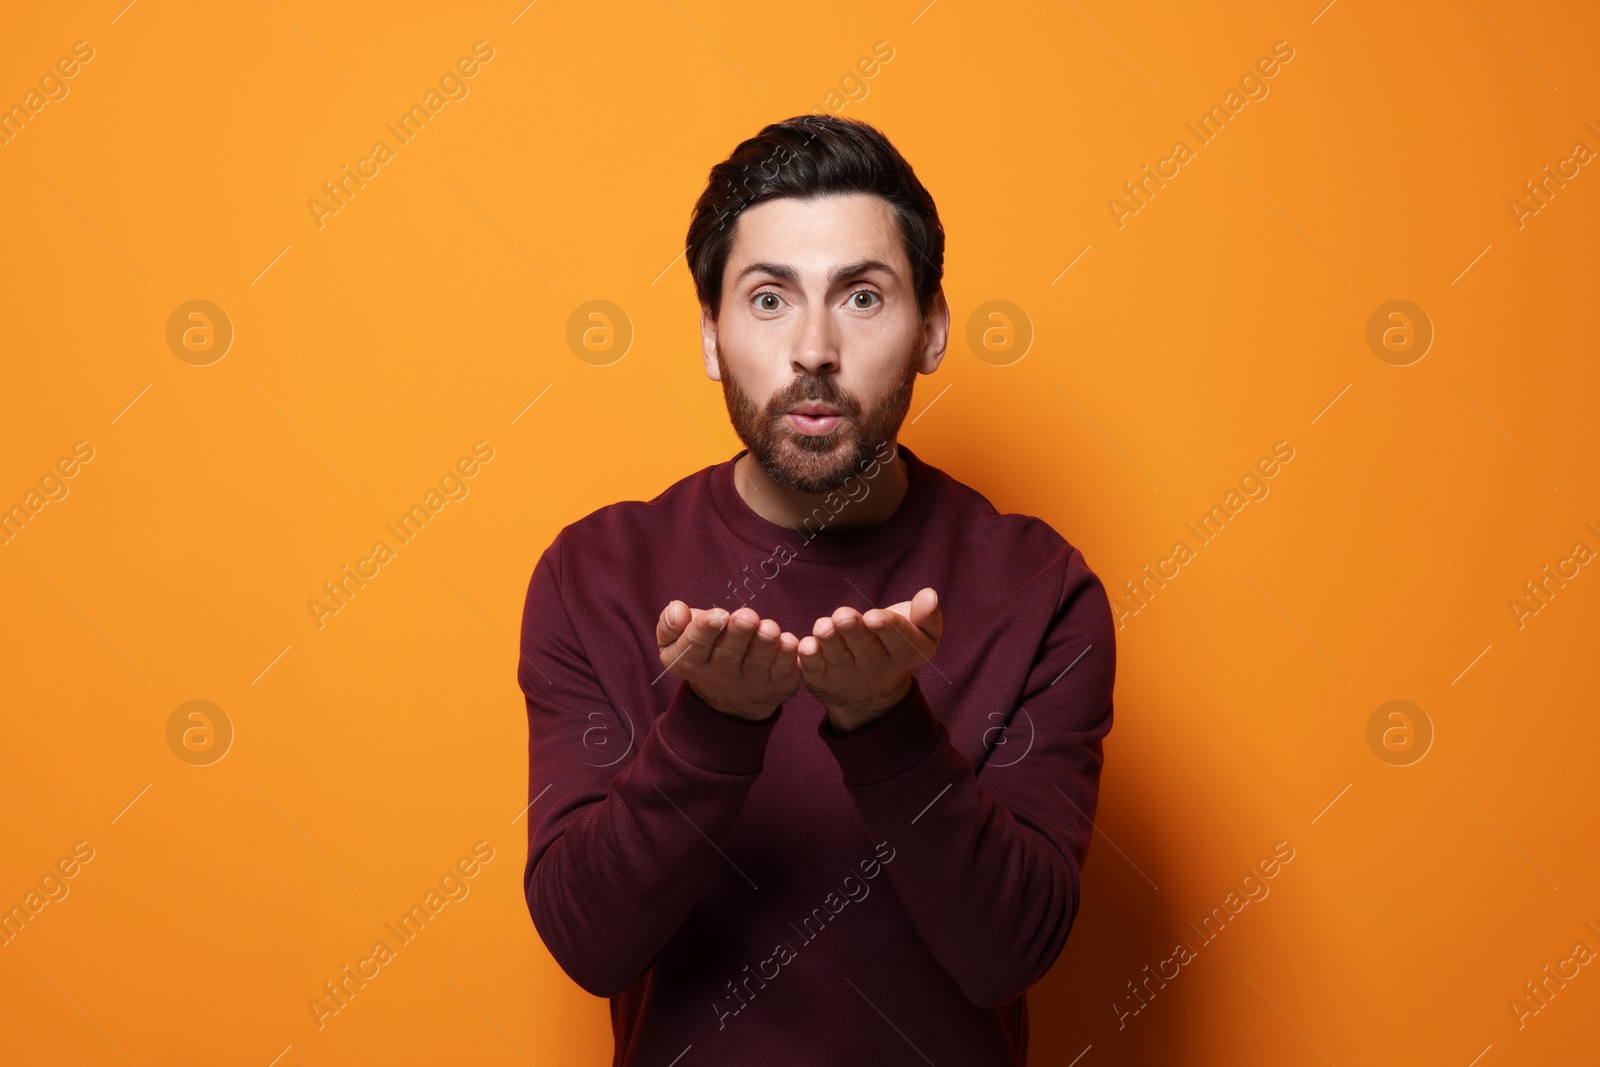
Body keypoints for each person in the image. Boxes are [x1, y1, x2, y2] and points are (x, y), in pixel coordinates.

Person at [519, 113, 1116, 1066]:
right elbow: (590, 943)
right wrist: (714, 722)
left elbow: (1009, 953)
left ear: (933, 329)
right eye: (767, 299)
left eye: (863, 296)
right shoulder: (596, 574)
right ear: (711, 335)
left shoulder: (1042, 590)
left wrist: (886, 725)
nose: (813, 349)